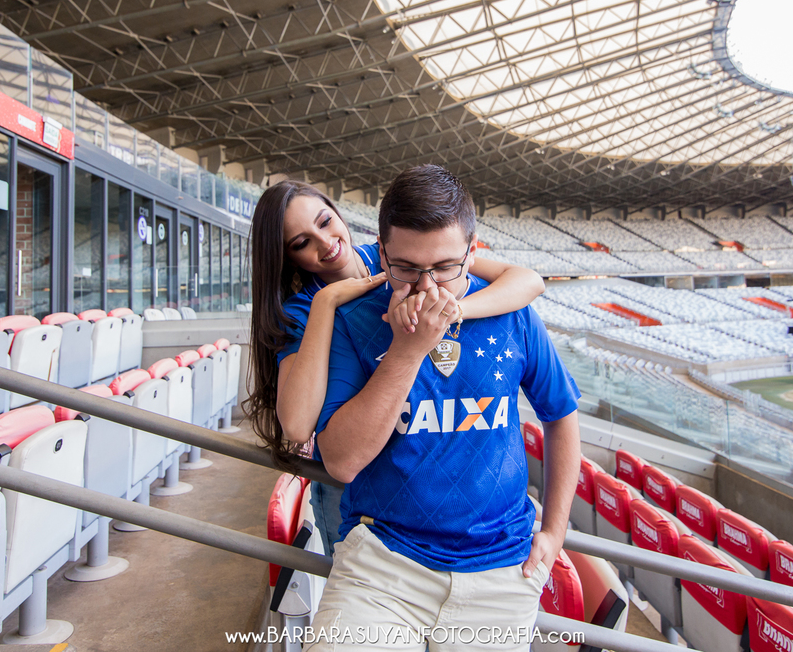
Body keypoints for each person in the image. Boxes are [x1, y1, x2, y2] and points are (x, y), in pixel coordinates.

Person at [306, 165, 581, 651]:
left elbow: (560, 414)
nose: (428, 288)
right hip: (382, 566)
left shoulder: (512, 313)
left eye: (446, 268)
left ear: (473, 254)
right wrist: (407, 351)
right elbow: (342, 461)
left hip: (501, 570)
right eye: (408, 269)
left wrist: (555, 531)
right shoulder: (354, 319)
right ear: (382, 253)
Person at [245, 180, 546, 555]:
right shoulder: (304, 309)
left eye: (324, 222)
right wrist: (327, 303)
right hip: (353, 488)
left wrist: (456, 312)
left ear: (338, 213)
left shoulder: (401, 258)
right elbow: (296, 423)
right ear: (287, 258)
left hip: (418, 474)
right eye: (301, 242)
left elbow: (528, 280)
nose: (325, 242)